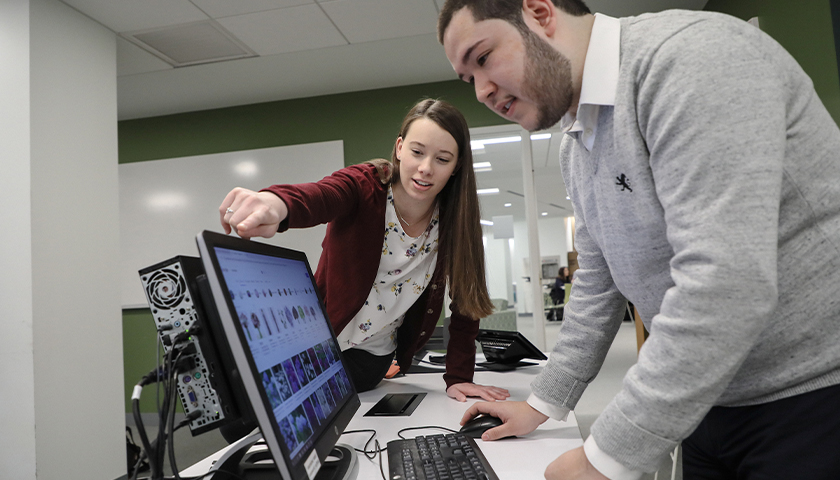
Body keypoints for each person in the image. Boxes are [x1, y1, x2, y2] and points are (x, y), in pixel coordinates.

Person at [438, 1, 840, 479]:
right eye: (468, 79)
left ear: (539, 12)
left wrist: (604, 458)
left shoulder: (688, 58)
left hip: (813, 396)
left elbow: (726, 283)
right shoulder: (577, 144)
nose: (481, 91)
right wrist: (543, 403)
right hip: (706, 400)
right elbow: (598, 282)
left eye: (482, 58)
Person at [219, 98, 511, 403]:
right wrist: (276, 204)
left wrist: (459, 378)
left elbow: (467, 304)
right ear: (399, 148)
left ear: (457, 165)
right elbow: (322, 195)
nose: (425, 168)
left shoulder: (456, 222)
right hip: (314, 343)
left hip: (368, 362)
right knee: (249, 416)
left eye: (442, 159)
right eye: (417, 152)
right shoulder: (366, 185)